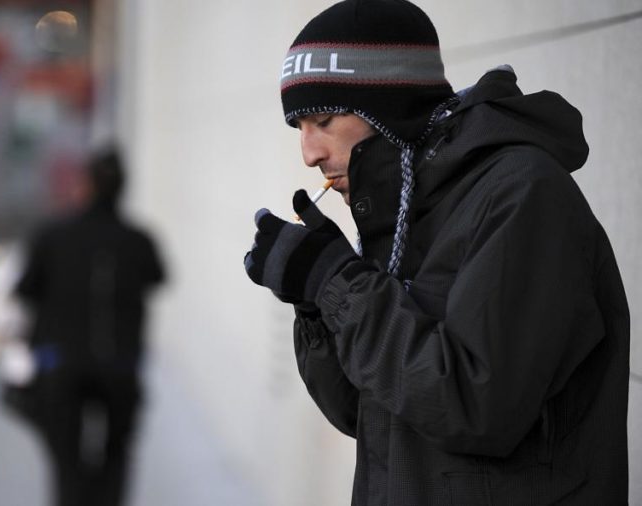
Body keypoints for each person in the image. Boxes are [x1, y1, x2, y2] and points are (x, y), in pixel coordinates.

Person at [243, 0, 630, 504]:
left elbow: (478, 407)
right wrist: (313, 297)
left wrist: (337, 284)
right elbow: (366, 412)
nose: (309, 153)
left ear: (385, 106)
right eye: (299, 129)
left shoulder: (522, 194)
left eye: (323, 119)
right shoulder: (404, 206)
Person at [15, 147, 165, 506]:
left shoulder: (51, 235)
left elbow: (24, 289)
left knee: (67, 465)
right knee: (115, 460)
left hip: (60, 363)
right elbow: (158, 277)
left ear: (84, 186)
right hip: (120, 363)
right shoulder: (137, 240)